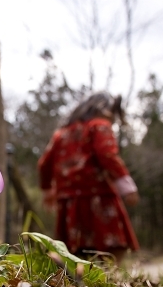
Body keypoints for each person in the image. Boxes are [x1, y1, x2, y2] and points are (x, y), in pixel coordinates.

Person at [37, 91, 139, 264]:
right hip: (99, 196)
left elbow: (44, 164)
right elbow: (107, 155)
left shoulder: (60, 134)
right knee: (112, 245)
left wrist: (47, 190)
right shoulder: (99, 125)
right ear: (104, 109)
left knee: (74, 247)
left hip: (68, 201)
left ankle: (78, 278)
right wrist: (127, 186)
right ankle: (107, 278)